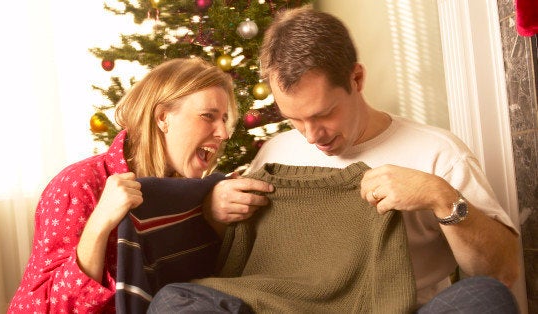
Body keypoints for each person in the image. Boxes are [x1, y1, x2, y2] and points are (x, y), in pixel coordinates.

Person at [151, 6, 521, 313]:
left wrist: (441, 197)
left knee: (485, 299)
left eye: (323, 114)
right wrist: (217, 215)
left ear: (356, 79)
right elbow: (243, 254)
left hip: (395, 308)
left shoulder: (439, 153)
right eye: (294, 120)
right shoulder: (275, 153)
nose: (311, 136)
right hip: (280, 308)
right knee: (172, 301)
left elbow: (503, 271)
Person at [8, 57, 256, 313]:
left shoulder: (200, 196)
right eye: (208, 116)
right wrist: (99, 225)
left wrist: (211, 218)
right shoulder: (78, 185)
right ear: (162, 118)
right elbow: (40, 308)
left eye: (224, 119)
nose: (224, 133)